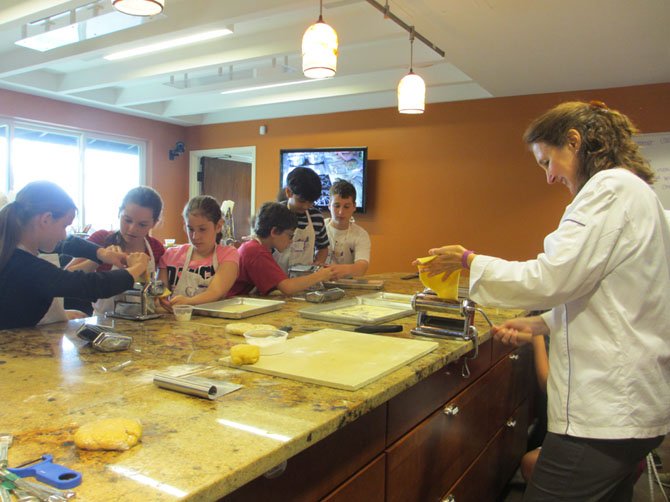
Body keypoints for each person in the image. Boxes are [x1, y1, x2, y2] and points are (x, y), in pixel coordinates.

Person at [415, 101, 670, 501]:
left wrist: (469, 261)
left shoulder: (608, 189)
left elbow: (552, 277)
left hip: (605, 416)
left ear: (574, 141)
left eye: (546, 161)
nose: (549, 177)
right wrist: (544, 324)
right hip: (631, 411)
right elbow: (612, 294)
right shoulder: (641, 195)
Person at [0, 181, 149, 329]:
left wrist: (102, 254)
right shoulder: (26, 267)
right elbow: (90, 285)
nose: (65, 234)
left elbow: (67, 243)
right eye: (64, 225)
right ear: (46, 219)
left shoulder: (11, 248)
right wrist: (137, 267)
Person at [66, 186, 165, 315]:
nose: (132, 229)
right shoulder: (101, 239)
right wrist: (98, 259)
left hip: (144, 323)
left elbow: (159, 294)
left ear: (154, 223)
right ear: (119, 213)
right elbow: (66, 277)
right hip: (103, 323)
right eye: (127, 220)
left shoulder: (156, 248)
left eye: (142, 224)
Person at [228, 202, 335, 296]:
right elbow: (287, 287)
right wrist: (320, 275)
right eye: (290, 236)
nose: (291, 241)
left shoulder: (255, 247)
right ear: (274, 231)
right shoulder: (256, 252)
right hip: (229, 302)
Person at [157, 195, 239, 309]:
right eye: (190, 229)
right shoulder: (170, 255)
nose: (195, 237)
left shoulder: (228, 254)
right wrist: (162, 300)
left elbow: (216, 291)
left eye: (202, 229)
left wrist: (189, 302)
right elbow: (160, 291)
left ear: (219, 226)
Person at [273, 167, 329, 273]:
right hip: (275, 277)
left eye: (311, 202)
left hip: (304, 278)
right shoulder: (274, 214)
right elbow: (264, 248)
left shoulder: (316, 217)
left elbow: (323, 248)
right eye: (302, 201)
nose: (306, 206)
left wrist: (317, 264)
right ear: (289, 192)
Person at [324, 179, 370, 279]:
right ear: (329, 205)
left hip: (347, 285)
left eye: (346, 206)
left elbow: (362, 267)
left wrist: (333, 271)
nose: (341, 212)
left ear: (354, 207)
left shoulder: (361, 234)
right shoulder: (318, 228)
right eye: (336, 206)